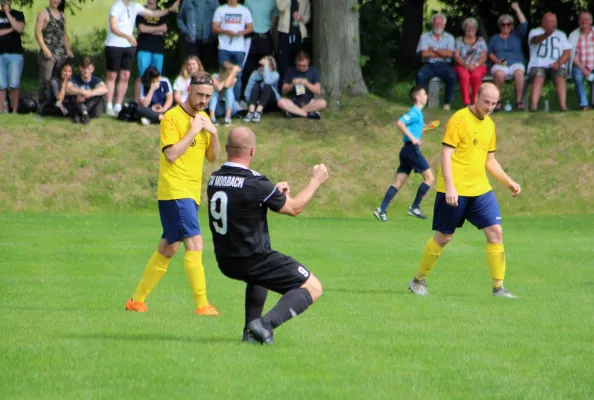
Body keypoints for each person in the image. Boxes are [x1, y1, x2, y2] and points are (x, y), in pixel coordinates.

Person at [206, 126, 328, 344]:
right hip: (253, 257)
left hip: (226, 260)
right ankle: (263, 324)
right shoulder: (256, 183)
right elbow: (294, 208)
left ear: (226, 148)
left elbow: (243, 202)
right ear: (252, 151)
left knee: (258, 277)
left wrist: (273, 193)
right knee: (313, 287)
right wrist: (316, 180)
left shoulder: (215, 179)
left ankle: (249, 334)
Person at [408, 83, 521, 299]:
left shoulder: (489, 125)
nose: (489, 107)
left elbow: (490, 160)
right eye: (486, 101)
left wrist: (508, 182)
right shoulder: (459, 119)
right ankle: (418, 280)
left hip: (480, 190)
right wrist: (450, 186)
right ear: (476, 96)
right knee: (444, 237)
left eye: (494, 103)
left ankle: (499, 288)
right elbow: (446, 154)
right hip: (454, 190)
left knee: (496, 232)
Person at [125, 73, 220, 316]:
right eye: (200, 94)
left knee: (169, 248)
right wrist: (193, 131)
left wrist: (214, 132)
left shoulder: (204, 117)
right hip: (175, 190)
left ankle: (136, 301)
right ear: (189, 89)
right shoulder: (171, 117)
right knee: (196, 243)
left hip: (190, 192)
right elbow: (171, 154)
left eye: (208, 96)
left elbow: (213, 158)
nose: (203, 100)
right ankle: (202, 305)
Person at [104, 0, 179, 117]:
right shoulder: (116, 6)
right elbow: (113, 27)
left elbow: (154, 14)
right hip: (114, 44)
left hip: (129, 46)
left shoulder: (135, 6)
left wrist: (169, 9)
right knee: (112, 76)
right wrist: (128, 36)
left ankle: (118, 105)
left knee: (125, 76)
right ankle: (108, 104)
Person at [373, 86, 434, 222]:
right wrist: (413, 138)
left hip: (406, 150)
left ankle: (381, 209)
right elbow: (400, 123)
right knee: (430, 179)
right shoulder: (415, 112)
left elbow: (414, 128)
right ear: (418, 97)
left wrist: (425, 127)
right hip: (411, 150)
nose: (426, 96)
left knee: (398, 182)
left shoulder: (418, 114)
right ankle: (415, 207)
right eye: (424, 94)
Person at [527, 13, 571, 112]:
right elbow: (535, 40)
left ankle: (563, 106)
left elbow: (567, 52)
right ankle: (534, 107)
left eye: (555, 21)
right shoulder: (534, 32)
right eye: (550, 21)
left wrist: (559, 63)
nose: (554, 24)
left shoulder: (561, 34)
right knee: (538, 76)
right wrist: (547, 34)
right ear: (543, 22)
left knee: (560, 76)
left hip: (557, 64)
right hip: (538, 64)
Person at [488, 2, 528, 111]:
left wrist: (517, 9)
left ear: (512, 26)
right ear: (499, 25)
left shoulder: (517, 35)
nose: (506, 26)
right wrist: (497, 60)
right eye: (503, 24)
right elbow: (490, 52)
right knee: (499, 74)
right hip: (499, 63)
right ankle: (498, 101)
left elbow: (524, 24)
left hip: (516, 63)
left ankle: (519, 102)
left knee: (519, 73)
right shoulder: (494, 38)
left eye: (508, 24)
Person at [212, 0, 253, 101]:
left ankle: (236, 102)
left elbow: (250, 27)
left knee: (237, 75)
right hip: (223, 47)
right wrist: (226, 31)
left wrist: (241, 32)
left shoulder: (244, 10)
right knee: (223, 74)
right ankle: (222, 101)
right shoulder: (221, 9)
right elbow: (214, 28)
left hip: (239, 48)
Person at [35, 0, 73, 106]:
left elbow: (64, 34)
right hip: (48, 54)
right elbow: (37, 32)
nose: (56, 1)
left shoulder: (62, 15)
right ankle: (42, 105)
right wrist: (44, 48)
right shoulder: (43, 13)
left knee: (58, 80)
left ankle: (57, 103)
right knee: (46, 80)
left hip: (61, 54)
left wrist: (68, 49)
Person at [416, 14, 456, 111]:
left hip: (444, 65)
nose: (438, 25)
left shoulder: (449, 38)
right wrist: (442, 53)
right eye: (435, 23)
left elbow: (450, 54)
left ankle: (447, 103)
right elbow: (424, 54)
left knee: (452, 76)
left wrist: (433, 49)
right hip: (429, 64)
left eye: (440, 23)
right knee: (420, 75)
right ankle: (421, 102)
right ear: (432, 24)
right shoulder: (424, 37)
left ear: (444, 25)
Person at [133, 0, 168, 102]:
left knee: (157, 77)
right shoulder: (141, 11)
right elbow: (142, 29)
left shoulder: (162, 12)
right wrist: (158, 28)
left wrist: (148, 29)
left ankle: (154, 101)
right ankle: (136, 102)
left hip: (158, 49)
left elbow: (163, 30)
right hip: (143, 47)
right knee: (142, 76)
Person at [277, 51, 326, 119]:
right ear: (296, 62)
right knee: (280, 102)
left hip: (309, 102)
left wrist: (307, 84)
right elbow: (283, 91)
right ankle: (307, 114)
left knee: (322, 103)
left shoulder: (314, 71)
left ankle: (294, 112)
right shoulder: (290, 71)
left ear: (308, 62)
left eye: (303, 65)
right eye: (299, 65)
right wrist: (292, 84)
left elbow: (317, 91)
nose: (301, 67)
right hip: (293, 101)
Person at [243, 0, 278, 91]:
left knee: (267, 67)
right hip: (252, 37)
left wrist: (269, 27)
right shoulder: (248, 1)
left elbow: (275, 15)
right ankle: (248, 93)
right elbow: (245, 18)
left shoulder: (272, 1)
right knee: (249, 68)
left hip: (266, 37)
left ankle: (265, 93)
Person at [453, 18, 487, 107]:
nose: (470, 30)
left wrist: (475, 65)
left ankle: (475, 102)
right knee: (464, 76)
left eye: (472, 28)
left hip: (478, 65)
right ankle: (466, 103)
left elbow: (484, 57)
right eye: (468, 27)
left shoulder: (481, 41)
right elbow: (456, 56)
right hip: (462, 65)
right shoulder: (458, 40)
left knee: (476, 76)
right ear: (464, 29)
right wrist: (465, 65)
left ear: (476, 29)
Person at [176, 0, 219, 70]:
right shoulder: (187, 1)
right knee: (193, 68)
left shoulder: (214, 1)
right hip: (192, 41)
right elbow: (179, 18)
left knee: (209, 69)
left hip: (209, 40)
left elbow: (220, 17)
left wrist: (214, 32)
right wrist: (186, 31)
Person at [276, 0, 310, 85]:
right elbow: (280, 7)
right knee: (283, 64)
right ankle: (284, 90)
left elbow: (307, 18)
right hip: (285, 34)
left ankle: (299, 92)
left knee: (299, 63)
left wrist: (301, 17)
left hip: (299, 35)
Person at [65, 56, 108, 124]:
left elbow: (105, 89)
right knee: (74, 91)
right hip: (78, 104)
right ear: (80, 68)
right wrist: (82, 92)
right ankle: (84, 114)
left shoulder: (96, 80)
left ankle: (83, 114)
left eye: (88, 68)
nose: (86, 71)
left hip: (91, 107)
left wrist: (90, 93)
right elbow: (67, 89)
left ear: (92, 69)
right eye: (84, 68)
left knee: (99, 93)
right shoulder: (74, 79)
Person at [0, 0, 25, 113]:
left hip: (15, 54)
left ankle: (14, 111)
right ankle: (1, 111)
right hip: (0, 54)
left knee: (14, 84)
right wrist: (11, 28)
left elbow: (19, 29)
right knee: (1, 85)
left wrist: (8, 13)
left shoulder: (18, 14)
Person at [243, 55, 280, 122]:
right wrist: (250, 103)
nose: (260, 67)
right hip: (258, 102)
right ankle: (251, 113)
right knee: (256, 86)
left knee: (267, 86)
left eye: (263, 66)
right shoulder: (255, 73)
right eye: (260, 65)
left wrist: (266, 69)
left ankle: (257, 113)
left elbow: (267, 81)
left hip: (271, 101)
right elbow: (248, 91)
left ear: (271, 67)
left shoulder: (275, 74)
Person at [569, 12, 594, 111]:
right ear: (578, 21)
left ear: (591, 21)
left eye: (586, 19)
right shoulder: (573, 35)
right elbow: (572, 55)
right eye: (581, 19)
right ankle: (584, 105)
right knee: (578, 77)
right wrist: (584, 70)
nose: (584, 21)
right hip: (579, 65)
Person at [208, 61, 241, 126]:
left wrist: (232, 74)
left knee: (228, 89)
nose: (230, 73)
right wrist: (224, 78)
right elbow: (219, 88)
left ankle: (227, 117)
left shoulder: (233, 78)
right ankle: (212, 117)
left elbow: (226, 85)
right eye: (229, 71)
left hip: (231, 109)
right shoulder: (214, 76)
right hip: (218, 108)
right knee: (214, 90)